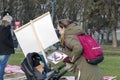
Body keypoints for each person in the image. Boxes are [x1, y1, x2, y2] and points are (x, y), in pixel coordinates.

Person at [0, 13, 15, 80]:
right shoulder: (6, 28)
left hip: (2, 50)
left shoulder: (1, 27)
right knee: (2, 66)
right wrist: (11, 45)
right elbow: (4, 39)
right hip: (5, 50)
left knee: (1, 66)